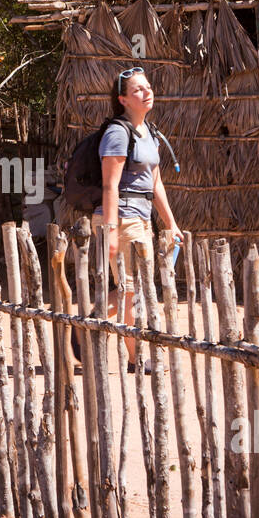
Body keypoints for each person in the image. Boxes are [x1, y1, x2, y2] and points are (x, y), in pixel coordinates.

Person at [95, 66, 182, 369]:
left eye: (148, 88)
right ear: (123, 99)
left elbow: (156, 183)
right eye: (138, 90)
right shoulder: (117, 133)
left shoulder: (150, 132)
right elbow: (110, 185)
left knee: (138, 288)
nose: (146, 93)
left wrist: (171, 223)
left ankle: (83, 323)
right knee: (132, 290)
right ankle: (136, 358)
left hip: (142, 218)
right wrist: (109, 230)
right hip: (121, 217)